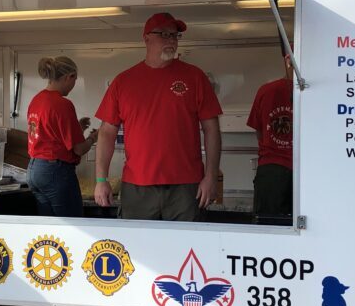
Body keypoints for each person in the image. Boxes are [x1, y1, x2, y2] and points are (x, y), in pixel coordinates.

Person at [94, 12, 222, 221]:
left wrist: (211, 177)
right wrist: (101, 179)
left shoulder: (195, 77)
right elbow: (106, 133)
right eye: (165, 34)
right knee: (137, 250)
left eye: (175, 36)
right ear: (146, 38)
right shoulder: (124, 82)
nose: (171, 40)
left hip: (186, 187)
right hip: (137, 187)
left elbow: (212, 129)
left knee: (186, 249)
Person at [27, 56, 97, 217]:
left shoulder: (37, 100)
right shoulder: (63, 104)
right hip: (55, 171)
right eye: (74, 80)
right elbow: (79, 149)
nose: (73, 85)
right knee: (71, 224)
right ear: (69, 77)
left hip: (34, 169)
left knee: (49, 227)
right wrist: (95, 137)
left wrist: (78, 128)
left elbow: (50, 133)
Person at [247, 50, 293, 225]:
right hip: (286, 170)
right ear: (288, 60)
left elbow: (259, 130)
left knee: (269, 227)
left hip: (272, 169)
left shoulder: (267, 91)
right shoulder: (317, 93)